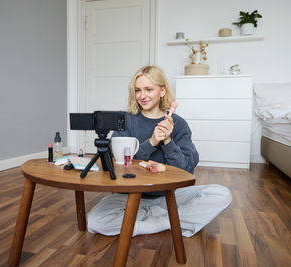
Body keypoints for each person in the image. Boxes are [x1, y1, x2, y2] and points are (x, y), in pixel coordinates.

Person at [87, 65, 232, 237]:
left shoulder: (179, 124)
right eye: (138, 90)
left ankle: (153, 220)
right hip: (128, 196)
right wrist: (152, 142)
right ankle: (167, 221)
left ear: (162, 91)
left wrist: (168, 141)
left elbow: (185, 170)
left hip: (168, 196)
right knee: (95, 222)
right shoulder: (125, 121)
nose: (142, 96)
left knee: (221, 195)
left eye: (149, 89)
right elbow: (118, 164)